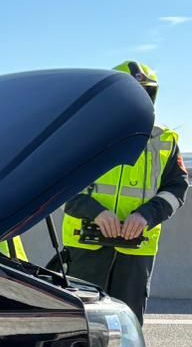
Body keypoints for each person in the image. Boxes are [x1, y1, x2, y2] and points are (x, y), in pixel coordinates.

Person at [60, 61, 185, 321]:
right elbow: (59, 186)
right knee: (81, 323)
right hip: (85, 244)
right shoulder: (82, 136)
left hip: (136, 250)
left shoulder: (165, 140)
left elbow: (176, 189)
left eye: (145, 92)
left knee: (128, 324)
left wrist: (146, 216)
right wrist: (95, 212)